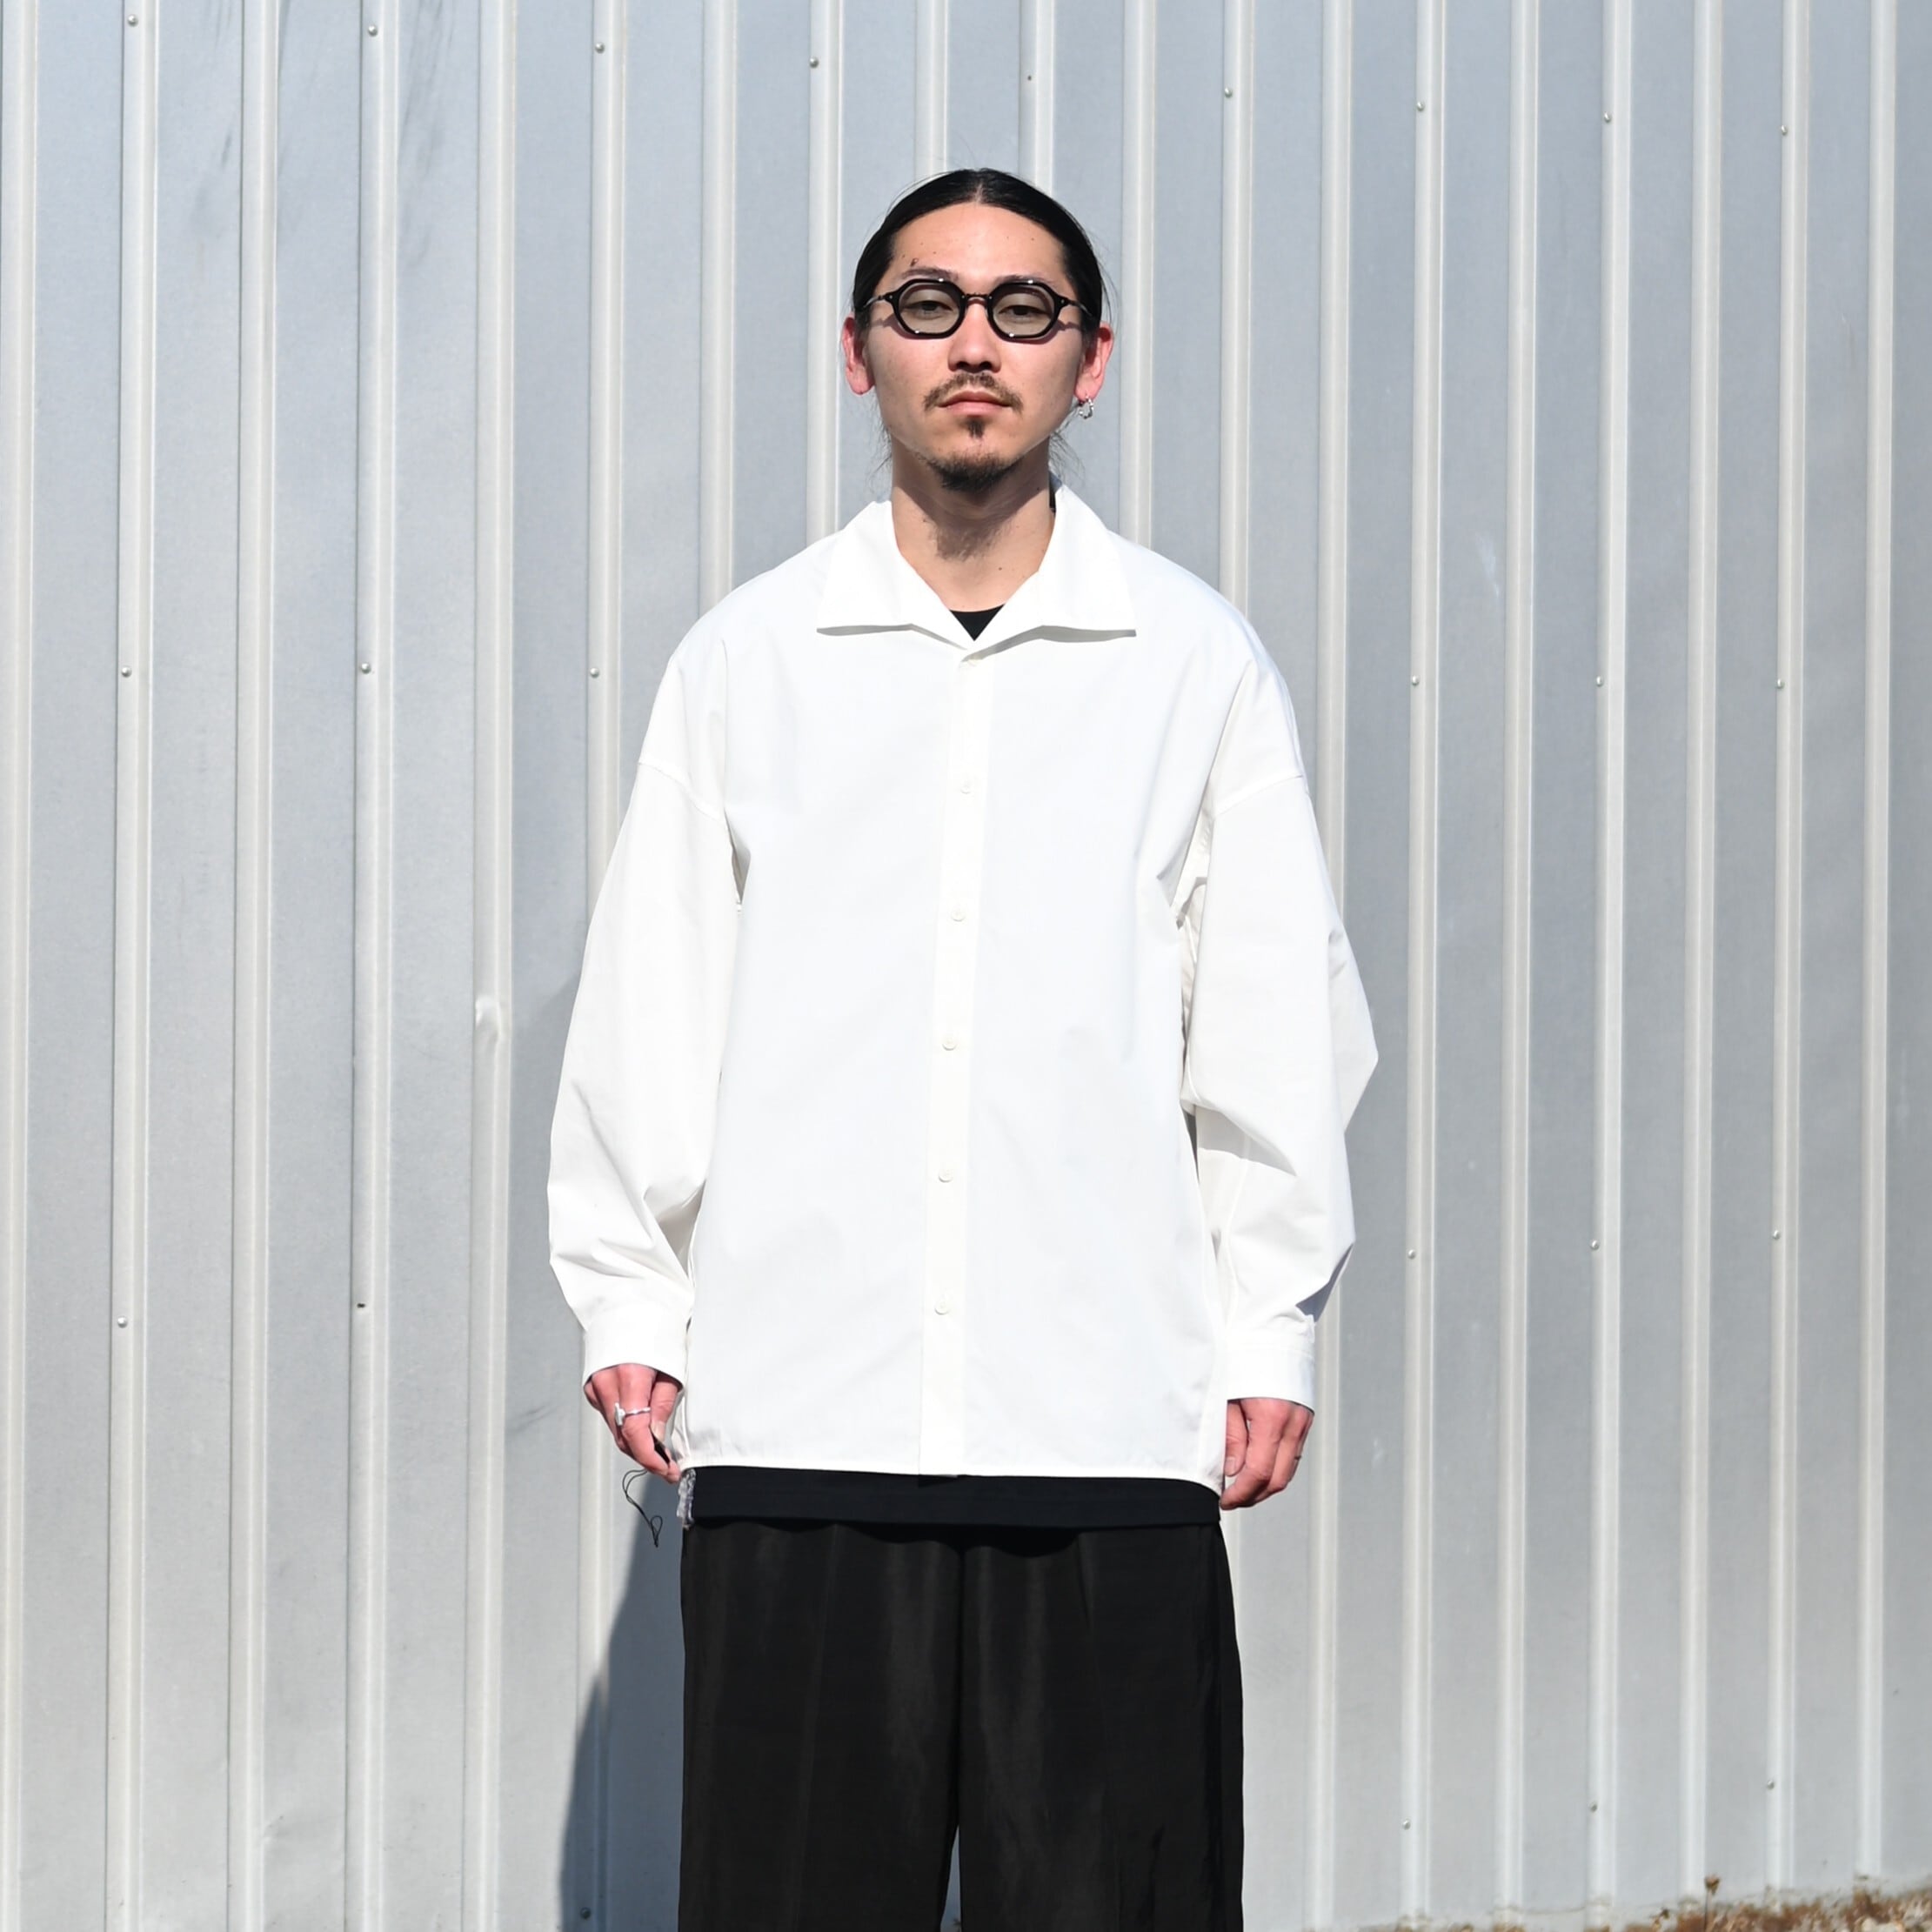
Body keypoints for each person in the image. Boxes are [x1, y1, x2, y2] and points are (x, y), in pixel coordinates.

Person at [548, 166, 1377, 1931]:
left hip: (1107, 1427)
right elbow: (650, 1004)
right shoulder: (750, 662)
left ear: (1093, 358)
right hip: (802, 1422)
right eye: (927, 306)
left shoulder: (1192, 667)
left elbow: (1272, 1022)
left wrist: (1269, 1322)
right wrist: (630, 1299)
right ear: (860, 353)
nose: (974, 345)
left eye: (1023, 309)